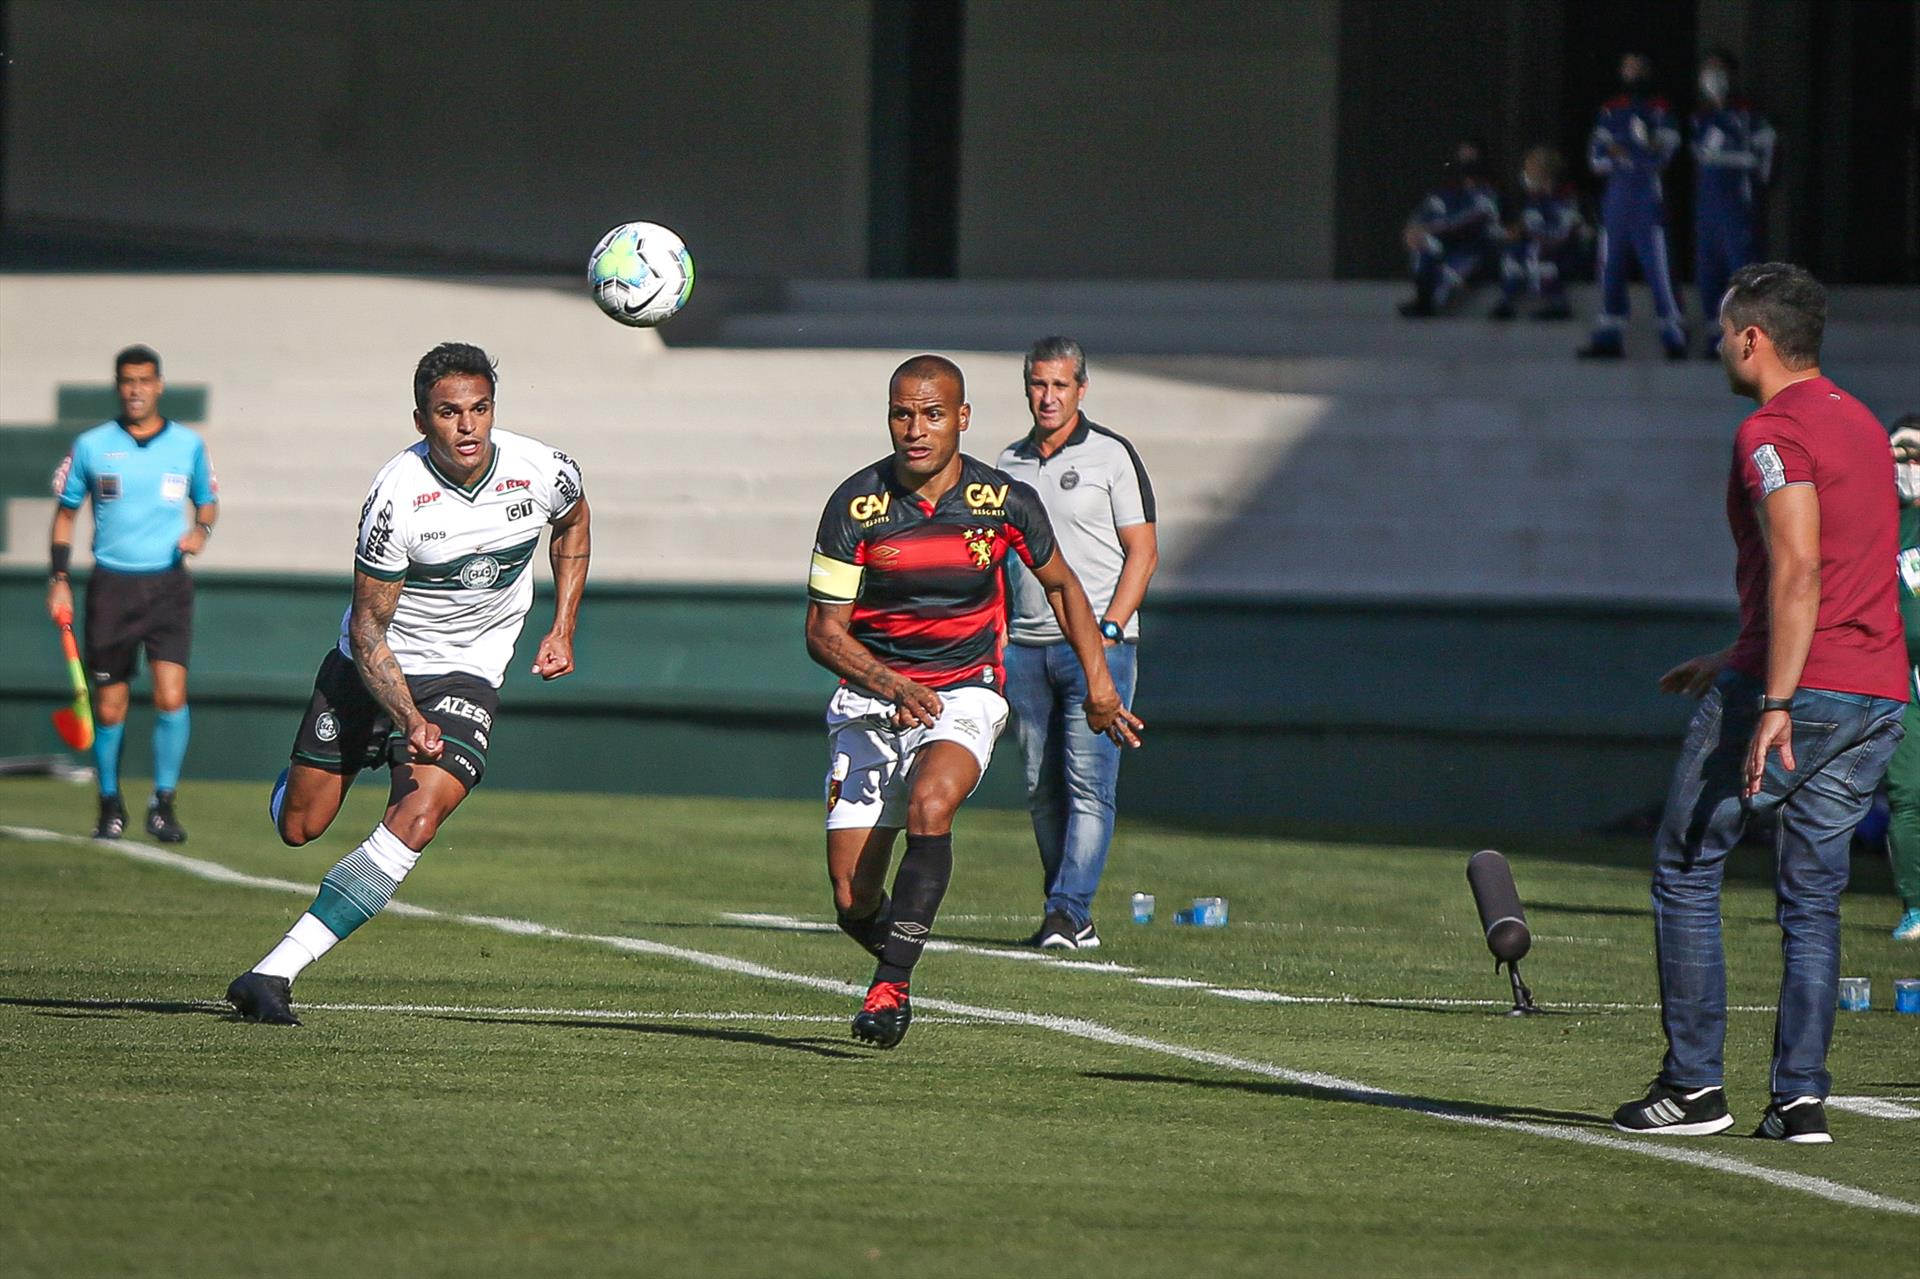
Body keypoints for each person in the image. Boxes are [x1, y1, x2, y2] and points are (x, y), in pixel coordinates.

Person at [1611, 264, 1906, 1145]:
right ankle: (1801, 1098)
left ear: (1752, 338)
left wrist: (1772, 695)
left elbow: (1803, 566)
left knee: (1687, 864)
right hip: (1874, 691)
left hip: (1800, 690)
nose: (1717, 343)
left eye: (1724, 328)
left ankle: (1696, 1087)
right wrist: (1733, 655)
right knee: (1814, 900)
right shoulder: (1859, 420)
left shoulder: (1768, 432)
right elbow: (1852, 568)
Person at [225, 342, 591, 1026]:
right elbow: (368, 632)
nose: (468, 427)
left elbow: (572, 521)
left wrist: (564, 623)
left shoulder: (545, 469)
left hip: (468, 671)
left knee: (419, 816)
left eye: (480, 408)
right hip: (375, 668)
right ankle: (302, 777)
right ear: (421, 418)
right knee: (300, 826)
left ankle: (273, 972)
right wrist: (404, 715)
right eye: (450, 413)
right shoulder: (396, 499)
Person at [804, 353, 1142, 1049]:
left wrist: (1100, 679)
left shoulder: (1003, 499)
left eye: (932, 414)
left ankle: (890, 986)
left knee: (933, 804)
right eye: (902, 413)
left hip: (965, 691)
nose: (915, 428)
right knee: (850, 899)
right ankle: (898, 949)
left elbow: (1063, 585)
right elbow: (822, 631)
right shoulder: (855, 503)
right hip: (874, 698)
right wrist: (889, 683)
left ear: (962, 418)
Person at [996, 338, 1157, 949]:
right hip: (1026, 645)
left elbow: (1143, 551)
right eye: (1039, 384)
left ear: (1081, 389)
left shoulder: (1112, 456)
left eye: (1060, 385)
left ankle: (1068, 910)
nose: (1048, 396)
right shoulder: (1007, 463)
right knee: (1041, 784)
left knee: (1090, 782)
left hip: (1099, 647)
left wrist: (1110, 628)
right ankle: (1066, 908)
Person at [46, 345, 218, 843]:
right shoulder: (92, 445)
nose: (136, 390)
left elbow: (207, 503)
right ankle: (108, 802)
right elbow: (65, 514)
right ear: (118, 386)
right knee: (110, 708)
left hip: (168, 585)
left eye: (144, 381)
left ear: (159, 385)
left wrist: (200, 533)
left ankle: (163, 802)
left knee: (171, 696)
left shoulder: (187, 445)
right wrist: (59, 579)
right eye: (127, 381)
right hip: (112, 587)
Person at [1578, 53, 1688, 360]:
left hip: (1648, 201)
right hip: (1616, 201)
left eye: (1638, 67)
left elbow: (1662, 157)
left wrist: (1623, 150)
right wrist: (1637, 148)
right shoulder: (1609, 110)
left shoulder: (1661, 109)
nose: (1632, 73)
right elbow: (1596, 158)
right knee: (1609, 269)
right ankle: (1608, 339)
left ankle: (1674, 336)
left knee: (1659, 270)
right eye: (1627, 67)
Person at [1692, 50, 1775, 359]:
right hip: (1708, 204)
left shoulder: (1748, 115)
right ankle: (1717, 335)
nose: (1712, 78)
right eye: (1707, 70)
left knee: (1741, 268)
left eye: (1718, 71)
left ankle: (1747, 337)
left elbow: (1764, 156)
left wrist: (1756, 185)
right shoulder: (1700, 116)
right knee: (1708, 270)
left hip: (1736, 202)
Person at [1883, 414, 1920, 941]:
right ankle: (1916, 905)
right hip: (1902, 675)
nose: (1909, 464)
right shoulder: (1880, 523)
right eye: (1899, 452)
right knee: (1907, 789)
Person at [1396, 141, 1501, 317]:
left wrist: (1432, 228)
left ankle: (1430, 303)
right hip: (1448, 245)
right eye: (1462, 158)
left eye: (1471, 158)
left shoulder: (1487, 191)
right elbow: (1424, 213)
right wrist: (1413, 229)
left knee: (1450, 272)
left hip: (1477, 248)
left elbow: (1471, 219)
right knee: (1424, 247)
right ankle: (1423, 301)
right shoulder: (1445, 192)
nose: (1466, 164)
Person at [1490, 146, 1584, 322]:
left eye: (1530, 168)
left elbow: (1561, 234)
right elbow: (1528, 222)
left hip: (1563, 252)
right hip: (1536, 245)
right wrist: (1517, 230)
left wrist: (1529, 232)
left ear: (1545, 173)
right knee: (1513, 253)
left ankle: (1558, 304)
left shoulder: (1565, 198)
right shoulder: (1534, 199)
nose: (1526, 173)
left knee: (1536, 252)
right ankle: (1506, 301)